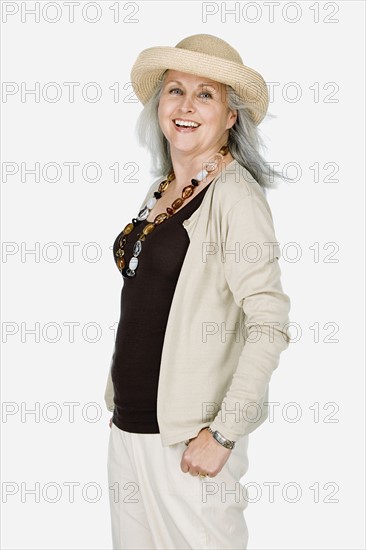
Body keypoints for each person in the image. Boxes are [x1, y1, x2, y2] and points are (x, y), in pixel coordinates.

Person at [105, 33, 291, 550]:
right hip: (131, 430)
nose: (186, 106)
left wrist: (225, 433)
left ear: (231, 116)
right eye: (175, 90)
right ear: (158, 105)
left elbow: (269, 322)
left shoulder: (234, 197)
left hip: (190, 442)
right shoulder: (162, 190)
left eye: (206, 94)